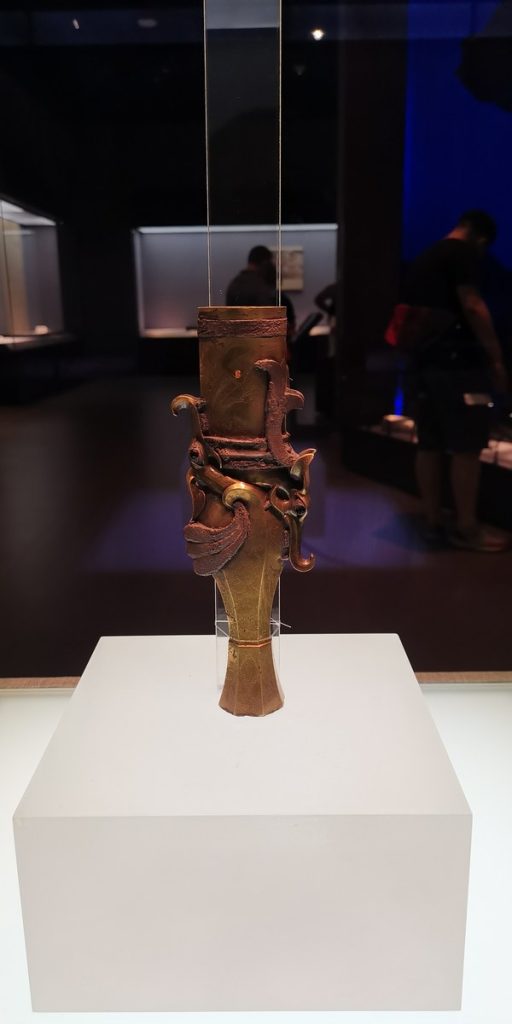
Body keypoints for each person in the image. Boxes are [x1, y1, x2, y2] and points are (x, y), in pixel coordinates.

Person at [401, 210, 508, 551]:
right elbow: (472, 305)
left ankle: (432, 521)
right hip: (460, 365)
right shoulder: (463, 254)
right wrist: (496, 358)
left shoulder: (425, 258)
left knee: (429, 444)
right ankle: (467, 528)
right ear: (481, 238)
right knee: (467, 447)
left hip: (424, 364)